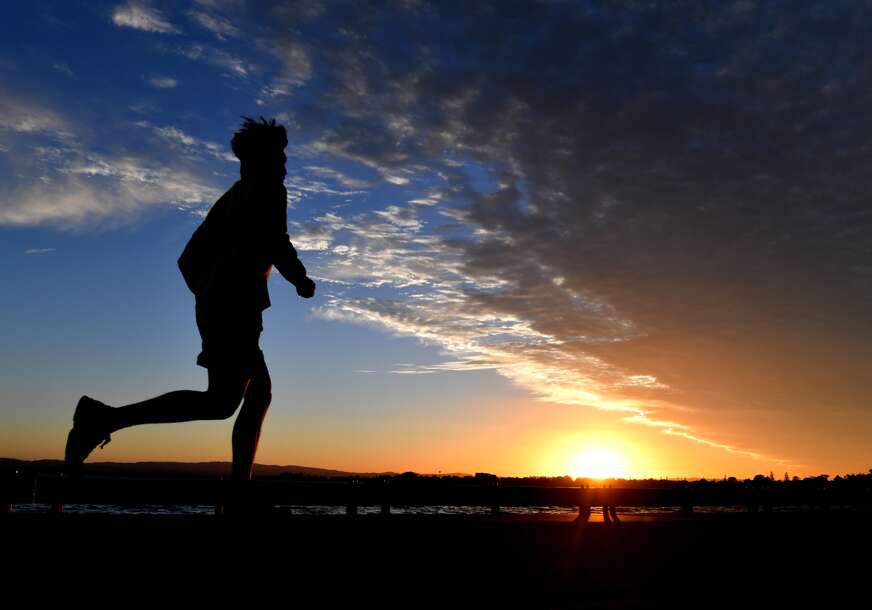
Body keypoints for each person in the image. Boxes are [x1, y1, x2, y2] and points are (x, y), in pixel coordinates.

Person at [63, 116, 315, 487]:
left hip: (224, 305)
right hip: (233, 308)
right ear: (253, 161)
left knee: (253, 394)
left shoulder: (236, 195)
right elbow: (276, 241)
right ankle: (104, 419)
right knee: (223, 402)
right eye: (277, 159)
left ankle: (238, 487)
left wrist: (209, 293)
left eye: (284, 159)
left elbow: (190, 258)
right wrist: (299, 279)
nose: (284, 167)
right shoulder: (265, 190)